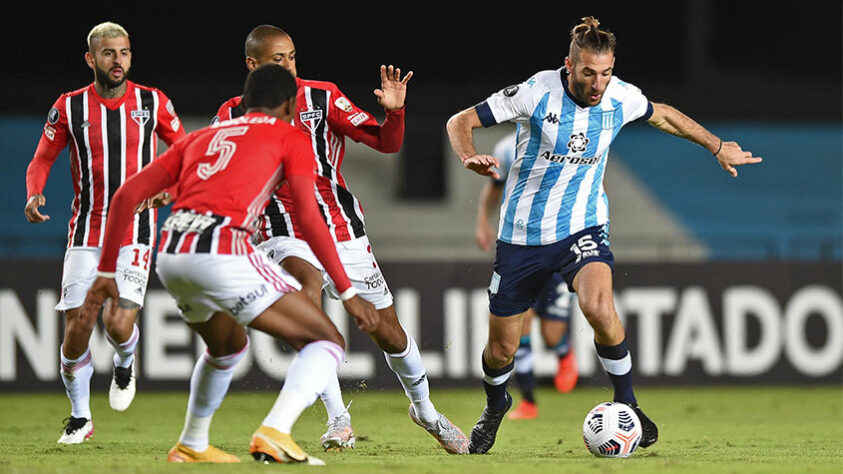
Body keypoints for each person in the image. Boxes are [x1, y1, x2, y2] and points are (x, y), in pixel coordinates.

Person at [447, 16, 762, 454]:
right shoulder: (536, 92)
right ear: (570, 65)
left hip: (583, 225)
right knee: (501, 350)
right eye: (589, 73)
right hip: (521, 237)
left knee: (598, 304)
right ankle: (497, 403)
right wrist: (467, 156)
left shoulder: (621, 97)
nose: (598, 84)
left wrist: (716, 145)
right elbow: (459, 121)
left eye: (606, 72)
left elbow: (665, 116)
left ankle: (627, 403)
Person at [81, 64, 380, 464]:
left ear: (244, 102)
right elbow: (309, 218)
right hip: (221, 248)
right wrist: (346, 292)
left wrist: (104, 272)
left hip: (172, 253)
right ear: (290, 104)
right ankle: (275, 432)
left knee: (227, 347)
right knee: (325, 340)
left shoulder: (202, 136)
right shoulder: (290, 136)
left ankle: (192, 443)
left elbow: (123, 198)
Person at [212, 25, 468, 454]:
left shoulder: (323, 96)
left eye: (292, 57)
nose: (289, 67)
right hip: (281, 230)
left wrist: (395, 113)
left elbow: (387, 143)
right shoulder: (231, 113)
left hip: (340, 228)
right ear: (252, 66)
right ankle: (338, 420)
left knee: (388, 331)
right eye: (278, 60)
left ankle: (425, 412)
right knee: (307, 298)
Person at [23, 21, 185, 444]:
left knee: (116, 323)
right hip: (87, 232)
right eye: (109, 53)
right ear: (91, 58)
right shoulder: (69, 107)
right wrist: (34, 193)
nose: (118, 61)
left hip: (136, 229)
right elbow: (42, 158)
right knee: (77, 326)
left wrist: (171, 188)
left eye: (125, 52)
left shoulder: (153, 102)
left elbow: (184, 151)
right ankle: (80, 418)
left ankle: (125, 359)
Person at [475, 131, 579, 421]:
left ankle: (563, 349)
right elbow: (495, 188)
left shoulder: (567, 139)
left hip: (559, 247)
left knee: (550, 335)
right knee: (520, 326)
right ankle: (528, 402)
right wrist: (482, 223)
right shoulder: (507, 148)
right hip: (520, 249)